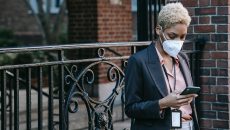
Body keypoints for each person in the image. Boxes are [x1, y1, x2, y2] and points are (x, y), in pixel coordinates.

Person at [125, 2, 199, 130]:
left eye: (182, 37)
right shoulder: (138, 60)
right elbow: (131, 109)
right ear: (158, 30)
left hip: (189, 125)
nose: (178, 42)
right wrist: (163, 103)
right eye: (172, 36)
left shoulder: (182, 58)